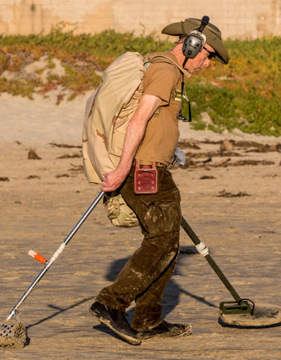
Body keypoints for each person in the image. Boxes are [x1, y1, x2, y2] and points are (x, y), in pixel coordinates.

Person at [88, 17, 229, 345]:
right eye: (207, 55)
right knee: (162, 241)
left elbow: (153, 120)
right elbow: (139, 118)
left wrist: (171, 148)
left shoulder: (165, 69)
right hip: (144, 170)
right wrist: (124, 169)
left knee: (165, 241)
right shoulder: (166, 70)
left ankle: (148, 319)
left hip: (152, 165)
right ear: (191, 45)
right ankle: (110, 304)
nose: (207, 63)